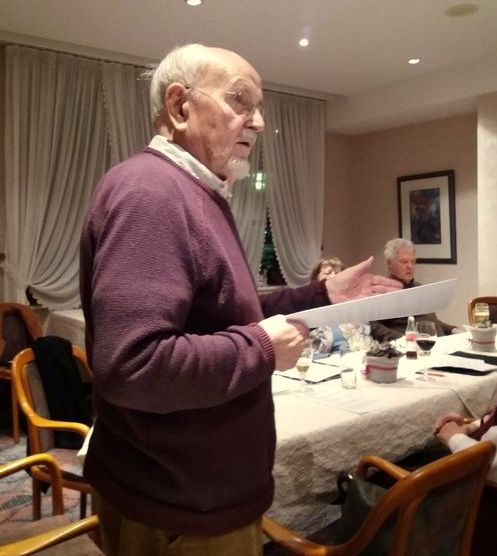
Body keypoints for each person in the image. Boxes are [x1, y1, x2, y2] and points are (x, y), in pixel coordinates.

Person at [79, 43, 401, 556]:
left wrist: (320, 293)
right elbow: (133, 366)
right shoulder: (151, 192)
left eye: (260, 107)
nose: (258, 121)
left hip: (193, 495)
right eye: (240, 100)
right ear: (179, 106)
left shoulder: (196, 191)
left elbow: (229, 316)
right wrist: (263, 349)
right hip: (176, 507)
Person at [370, 238, 462, 342]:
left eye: (413, 262)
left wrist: (452, 329)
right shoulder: (381, 292)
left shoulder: (418, 287)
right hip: (411, 347)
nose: (410, 266)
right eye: (404, 262)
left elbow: (428, 320)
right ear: (389, 263)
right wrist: (404, 339)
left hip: (441, 343)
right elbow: (373, 327)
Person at [310, 257, 370, 354]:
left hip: (355, 358)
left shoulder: (353, 307)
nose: (333, 277)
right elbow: (309, 350)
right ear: (316, 278)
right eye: (327, 273)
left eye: (338, 274)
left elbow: (365, 340)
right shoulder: (310, 309)